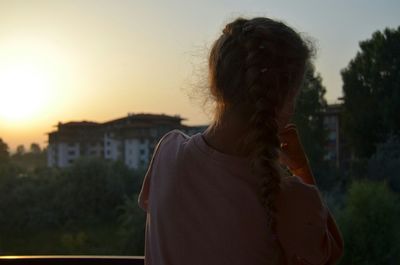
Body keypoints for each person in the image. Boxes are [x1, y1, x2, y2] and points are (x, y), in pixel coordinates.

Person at [138, 17, 344, 265]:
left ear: (215, 86)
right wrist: (300, 168)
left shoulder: (167, 154)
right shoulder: (292, 199)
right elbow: (331, 252)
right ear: (282, 104)